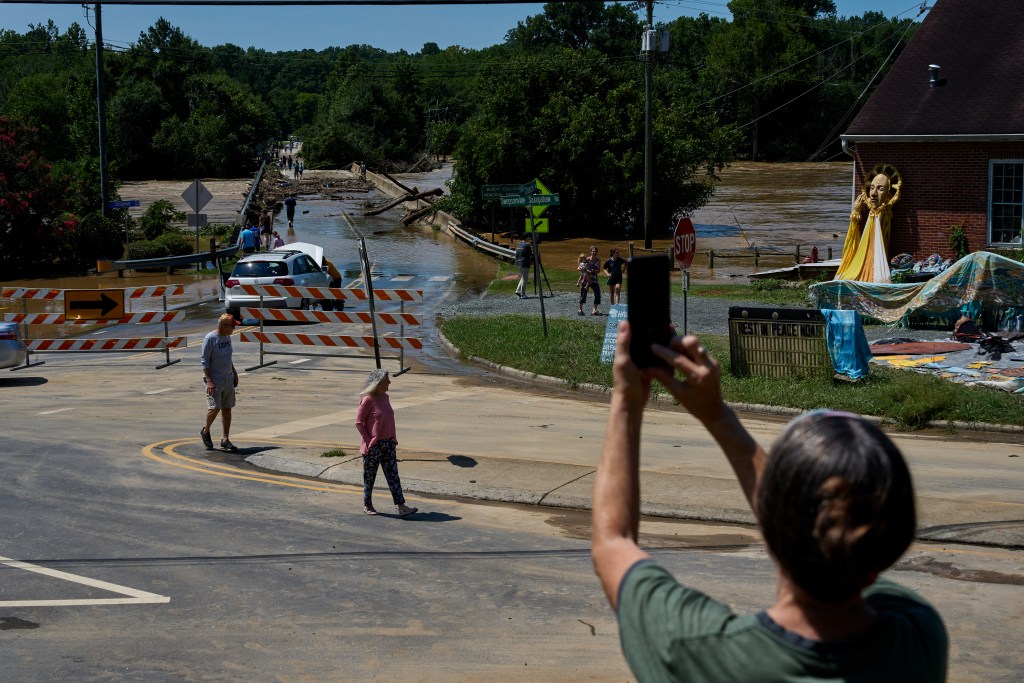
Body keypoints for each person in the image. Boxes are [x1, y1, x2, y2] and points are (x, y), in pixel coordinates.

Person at [591, 325, 949, 682]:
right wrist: (715, 414)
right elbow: (835, 542)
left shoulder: (701, 652)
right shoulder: (919, 637)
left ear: (772, 523)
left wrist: (628, 396)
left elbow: (613, 543)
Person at [354, 369, 418, 518]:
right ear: (379, 383)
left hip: (388, 443)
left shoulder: (386, 397)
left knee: (393, 475)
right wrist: (368, 440)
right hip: (373, 446)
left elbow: (389, 420)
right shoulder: (368, 399)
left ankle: (402, 507)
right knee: (370, 477)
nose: (389, 382)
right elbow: (358, 422)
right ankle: (367, 505)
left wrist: (393, 439)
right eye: (387, 380)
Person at [835, 164, 902, 283]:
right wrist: (856, 211)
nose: (873, 193)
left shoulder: (884, 215)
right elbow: (852, 240)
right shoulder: (872, 215)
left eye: (880, 189)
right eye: (871, 188)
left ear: (888, 194)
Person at [199, 314, 240, 453]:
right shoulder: (210, 339)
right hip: (215, 379)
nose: (234, 329)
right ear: (223, 326)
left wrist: (234, 372)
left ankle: (225, 439)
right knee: (215, 408)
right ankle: (206, 431)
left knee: (227, 408)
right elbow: (204, 361)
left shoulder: (227, 337)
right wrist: (209, 381)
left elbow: (228, 357)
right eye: (232, 326)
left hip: (228, 378)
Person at [578, 246, 602, 316]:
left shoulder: (598, 260)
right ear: (590, 252)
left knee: (597, 294)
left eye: (595, 251)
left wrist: (594, 271)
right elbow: (579, 267)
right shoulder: (587, 259)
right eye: (593, 251)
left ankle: (594, 310)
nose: (594, 252)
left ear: (597, 252)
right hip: (586, 278)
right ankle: (580, 309)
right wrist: (586, 270)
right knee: (583, 293)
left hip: (594, 279)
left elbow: (599, 271)